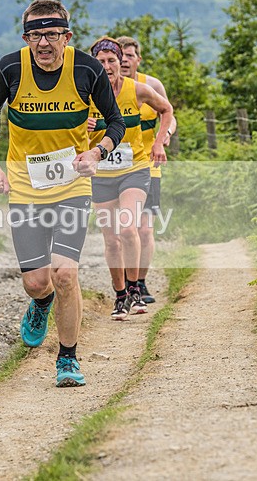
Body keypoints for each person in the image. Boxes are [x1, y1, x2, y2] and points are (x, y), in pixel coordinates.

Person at [0, 0, 125, 387]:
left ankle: (67, 358)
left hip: (72, 185)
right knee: (36, 282)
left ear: (67, 36)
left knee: (65, 272)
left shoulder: (87, 69)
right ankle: (41, 302)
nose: (43, 43)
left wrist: (96, 153)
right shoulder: (9, 68)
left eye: (51, 35)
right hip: (25, 186)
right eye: (34, 35)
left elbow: (115, 121)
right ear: (25, 38)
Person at [87, 36, 173, 321]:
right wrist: (82, 125)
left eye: (112, 60)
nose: (108, 66)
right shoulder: (84, 94)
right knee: (111, 240)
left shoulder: (137, 89)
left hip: (134, 169)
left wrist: (159, 142)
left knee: (128, 229)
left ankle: (135, 288)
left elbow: (167, 110)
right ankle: (120, 294)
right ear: (94, 65)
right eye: (101, 62)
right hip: (101, 174)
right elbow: (65, 130)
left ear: (120, 61)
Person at [116, 35, 177, 304]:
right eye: (120, 56)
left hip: (147, 163)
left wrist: (164, 137)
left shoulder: (151, 85)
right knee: (122, 231)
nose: (124, 61)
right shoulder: (105, 87)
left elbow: (169, 114)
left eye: (129, 56)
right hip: (115, 166)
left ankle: (140, 283)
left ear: (138, 59)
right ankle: (124, 285)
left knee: (144, 229)